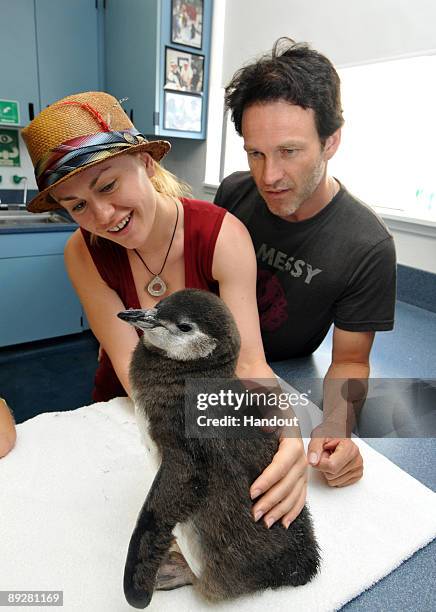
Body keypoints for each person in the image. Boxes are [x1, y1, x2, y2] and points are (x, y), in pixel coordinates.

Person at [21, 91, 308, 530]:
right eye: (77, 206)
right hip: (131, 405)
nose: (102, 215)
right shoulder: (82, 253)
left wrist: (289, 433)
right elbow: (130, 367)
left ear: (147, 163)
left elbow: (249, 360)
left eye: (108, 185)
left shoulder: (222, 237)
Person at [214, 38, 397, 487]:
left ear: (331, 140)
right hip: (215, 364)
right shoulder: (234, 192)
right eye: (255, 152)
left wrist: (337, 426)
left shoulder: (367, 245)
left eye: (289, 151)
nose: (268, 176)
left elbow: (352, 360)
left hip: (287, 375)